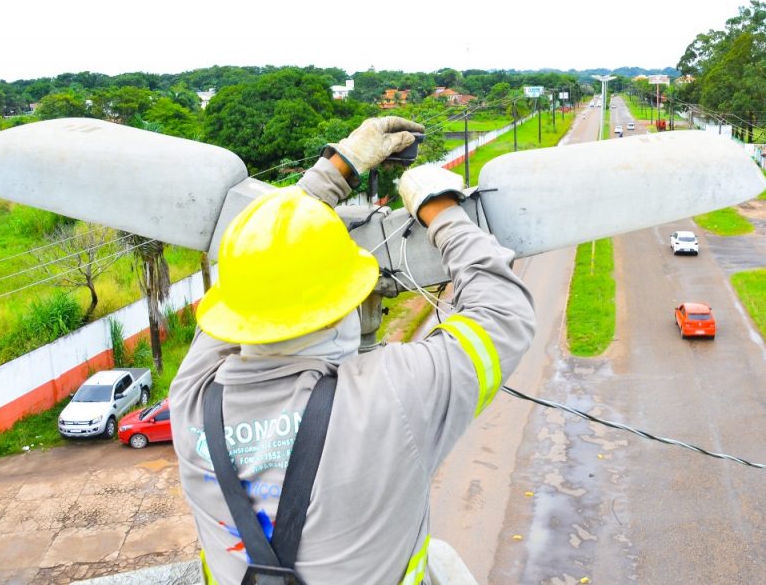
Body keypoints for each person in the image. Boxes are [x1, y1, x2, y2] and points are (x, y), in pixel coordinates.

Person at [170, 116, 536, 584]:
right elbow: (503, 314)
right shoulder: (392, 394)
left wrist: (330, 175)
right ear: (340, 308)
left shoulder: (192, 397)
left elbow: (261, 276)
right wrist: (441, 210)